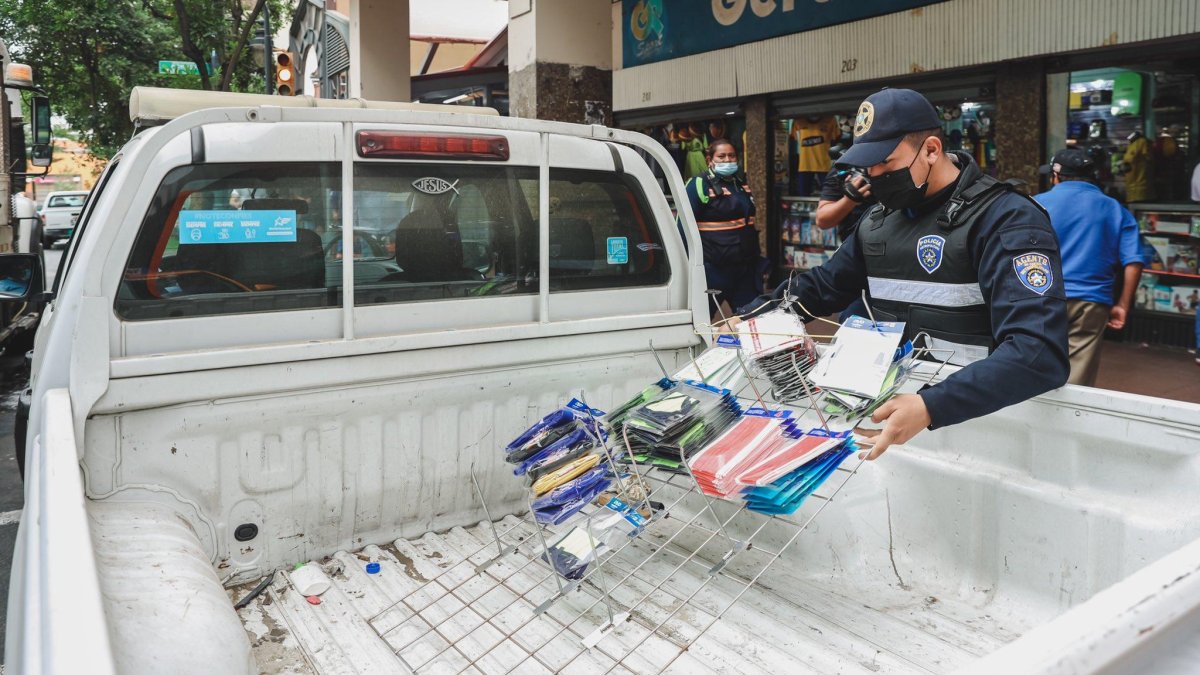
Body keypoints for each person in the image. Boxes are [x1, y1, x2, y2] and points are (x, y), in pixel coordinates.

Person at [725, 88, 1069, 460]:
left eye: (886, 163)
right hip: (880, 418)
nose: (874, 176)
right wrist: (755, 316)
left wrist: (931, 406)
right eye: (867, 166)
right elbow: (826, 285)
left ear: (932, 150)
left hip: (974, 423)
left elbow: (1038, 350)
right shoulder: (877, 221)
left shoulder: (1005, 218)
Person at [1034, 148, 1143, 387]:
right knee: (1076, 378)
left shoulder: (1036, 205)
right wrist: (1123, 305)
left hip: (1040, 297)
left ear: (1056, 175)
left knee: (1033, 363)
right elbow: (1133, 261)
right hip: (1091, 302)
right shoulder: (1115, 209)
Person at [685, 138, 761, 320]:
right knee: (700, 323)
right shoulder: (698, 185)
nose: (728, 160)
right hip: (711, 271)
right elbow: (683, 229)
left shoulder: (741, 185)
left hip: (743, 270)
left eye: (732, 156)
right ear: (709, 159)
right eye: (722, 156)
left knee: (752, 321)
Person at [815, 167, 875, 320]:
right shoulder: (844, 169)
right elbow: (822, 219)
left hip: (898, 254)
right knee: (852, 318)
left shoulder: (904, 163)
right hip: (856, 256)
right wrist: (849, 200)